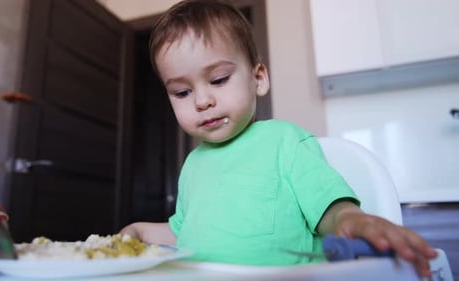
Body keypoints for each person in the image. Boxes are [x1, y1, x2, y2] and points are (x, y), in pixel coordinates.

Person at [121, 0, 436, 277]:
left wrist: (353, 220)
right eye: (182, 92)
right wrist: (139, 230)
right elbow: (185, 233)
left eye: (218, 80)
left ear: (258, 78)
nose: (202, 101)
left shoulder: (285, 142)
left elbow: (329, 211)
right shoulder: (192, 165)